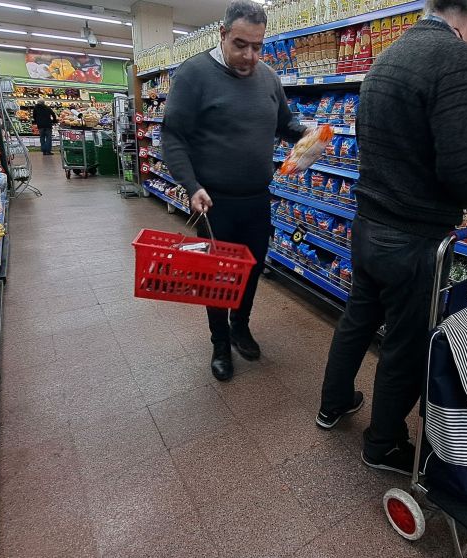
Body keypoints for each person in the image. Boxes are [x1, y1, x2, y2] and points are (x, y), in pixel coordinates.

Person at [316, 0, 467, 475]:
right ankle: (384, 443)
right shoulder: (458, 58)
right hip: (413, 236)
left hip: (368, 223)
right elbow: (461, 168)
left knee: (358, 317)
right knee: (405, 344)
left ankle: (332, 403)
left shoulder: (388, 56)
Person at [162, 0, 309, 381]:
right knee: (216, 276)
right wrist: (191, 186)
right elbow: (174, 136)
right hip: (214, 203)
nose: (249, 55)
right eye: (241, 44)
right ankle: (219, 342)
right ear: (223, 34)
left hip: (257, 198)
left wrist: (307, 133)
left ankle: (240, 325)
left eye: (258, 46)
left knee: (252, 269)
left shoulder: (268, 77)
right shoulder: (193, 74)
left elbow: (284, 122)